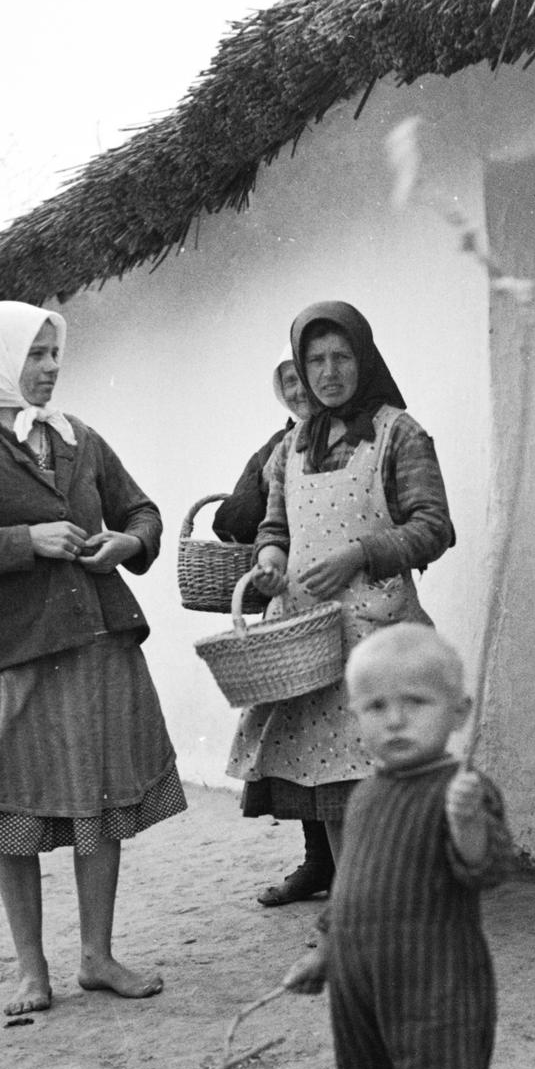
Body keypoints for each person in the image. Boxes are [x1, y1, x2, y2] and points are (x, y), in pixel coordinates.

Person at [0, 300, 185, 1016]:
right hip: (13, 655)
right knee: (14, 809)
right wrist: (25, 542)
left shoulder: (79, 438)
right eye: (34, 355)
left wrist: (129, 544)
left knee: (100, 801)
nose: (49, 368)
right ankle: (32, 971)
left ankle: (97, 957)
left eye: (53, 354)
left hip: (96, 645)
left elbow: (143, 511)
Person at [282, 624, 515, 1069]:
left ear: (458, 713)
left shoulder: (463, 789)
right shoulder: (366, 797)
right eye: (375, 707)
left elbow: (488, 870)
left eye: (416, 702)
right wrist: (322, 953)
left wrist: (469, 826)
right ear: (354, 718)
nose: (395, 719)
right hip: (361, 994)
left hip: (438, 991)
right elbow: (350, 888)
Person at [228, 300, 455, 862]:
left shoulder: (399, 434)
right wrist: (271, 557)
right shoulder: (293, 444)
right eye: (316, 361)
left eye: (342, 357)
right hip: (313, 643)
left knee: (386, 782)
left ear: (364, 359)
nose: (329, 373)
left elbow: (434, 528)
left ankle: (404, 908)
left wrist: (359, 553)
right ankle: (353, 906)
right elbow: (273, 523)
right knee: (330, 791)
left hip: (380, 641)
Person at [212, 353, 335, 907]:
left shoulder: (359, 434)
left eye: (303, 376)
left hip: (354, 598)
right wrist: (270, 493)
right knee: (305, 736)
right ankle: (317, 863)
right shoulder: (277, 447)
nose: (299, 387)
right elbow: (230, 521)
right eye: (288, 381)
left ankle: (369, 870)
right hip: (295, 604)